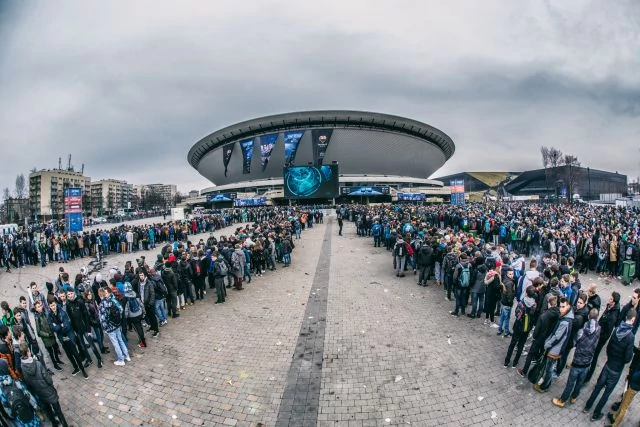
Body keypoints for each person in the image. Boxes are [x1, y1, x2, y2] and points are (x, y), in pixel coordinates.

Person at [583, 309, 636, 421]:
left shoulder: (616, 329)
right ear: (633, 319)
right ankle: (596, 414)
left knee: (598, 387)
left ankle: (588, 406)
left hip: (608, 364)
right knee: (607, 393)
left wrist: (610, 357)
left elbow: (608, 347)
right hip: (616, 369)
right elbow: (627, 359)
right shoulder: (630, 336)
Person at [552, 308, 601, 408]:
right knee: (579, 382)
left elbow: (575, 342)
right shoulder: (599, 329)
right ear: (597, 317)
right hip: (587, 362)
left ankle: (562, 400)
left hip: (577, 361)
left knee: (570, 382)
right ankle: (574, 397)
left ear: (588, 316)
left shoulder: (581, 331)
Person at [18, 343, 68, 427]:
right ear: (28, 352)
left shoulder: (22, 367)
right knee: (58, 411)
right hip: (48, 391)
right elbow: (48, 380)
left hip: (39, 393)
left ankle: (55, 424)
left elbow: (28, 382)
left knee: (49, 412)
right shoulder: (37, 364)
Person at [535, 297, 573, 393]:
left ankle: (545, 386)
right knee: (549, 367)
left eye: (563, 306)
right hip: (557, 348)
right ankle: (546, 383)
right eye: (560, 306)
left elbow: (557, 337)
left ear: (568, 306)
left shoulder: (565, 321)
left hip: (555, 349)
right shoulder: (567, 317)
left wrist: (547, 344)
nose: (561, 309)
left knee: (549, 368)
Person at [518, 295, 559, 377]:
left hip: (539, 339)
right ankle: (538, 372)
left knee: (530, 354)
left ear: (549, 304)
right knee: (542, 355)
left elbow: (536, 331)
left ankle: (524, 371)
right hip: (549, 339)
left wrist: (534, 337)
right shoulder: (558, 315)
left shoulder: (543, 316)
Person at [46, 297, 87, 379]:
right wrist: (59, 326)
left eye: (54, 305)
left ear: (56, 304)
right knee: (69, 355)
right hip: (62, 339)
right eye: (51, 306)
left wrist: (57, 326)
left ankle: (83, 371)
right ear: (49, 306)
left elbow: (67, 326)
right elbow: (52, 328)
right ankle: (76, 368)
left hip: (69, 337)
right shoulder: (49, 315)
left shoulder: (62, 312)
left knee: (75, 354)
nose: (53, 307)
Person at [586, 291, 621, 382]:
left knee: (594, 356)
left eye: (611, 299)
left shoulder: (613, 316)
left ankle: (588, 376)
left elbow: (607, 332)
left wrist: (598, 336)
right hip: (598, 333)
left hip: (600, 339)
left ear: (614, 302)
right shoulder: (609, 307)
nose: (609, 299)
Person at [504, 285, 537, 368]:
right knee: (521, 345)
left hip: (519, 326)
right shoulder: (534, 304)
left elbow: (517, 314)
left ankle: (506, 361)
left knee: (512, 344)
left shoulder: (521, 303)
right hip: (527, 327)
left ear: (526, 293)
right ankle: (515, 363)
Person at [607, 345, 640, 426]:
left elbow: (637, 376)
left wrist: (631, 376)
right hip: (632, 382)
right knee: (623, 401)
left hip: (634, 386)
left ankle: (615, 424)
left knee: (624, 407)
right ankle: (614, 417)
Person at [98, 287, 130, 366]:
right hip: (117, 324)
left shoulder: (102, 304)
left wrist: (105, 328)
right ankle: (126, 355)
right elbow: (120, 310)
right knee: (120, 340)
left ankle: (121, 359)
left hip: (110, 327)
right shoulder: (111, 301)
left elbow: (103, 318)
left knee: (115, 343)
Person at [33, 301, 63, 372]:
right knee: (51, 352)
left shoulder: (46, 313)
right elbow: (39, 332)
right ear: (36, 309)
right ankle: (55, 364)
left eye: (39, 306)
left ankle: (58, 360)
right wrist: (47, 335)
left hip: (52, 335)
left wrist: (53, 329)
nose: (39, 308)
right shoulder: (37, 318)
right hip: (46, 338)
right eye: (37, 307)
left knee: (55, 348)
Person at [123, 283, 146, 349]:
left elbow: (126, 310)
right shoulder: (136, 294)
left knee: (137, 329)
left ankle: (142, 342)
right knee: (140, 327)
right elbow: (141, 304)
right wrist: (144, 312)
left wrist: (126, 317)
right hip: (139, 314)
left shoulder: (125, 298)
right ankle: (142, 338)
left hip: (132, 316)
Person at [497, 267, 516, 337]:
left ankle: (499, 330)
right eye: (510, 274)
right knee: (507, 318)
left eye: (512, 274)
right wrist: (510, 303)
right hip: (507, 303)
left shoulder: (504, 279)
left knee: (502, 317)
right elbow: (510, 295)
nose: (512, 275)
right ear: (507, 274)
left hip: (503, 302)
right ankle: (506, 332)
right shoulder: (510, 283)